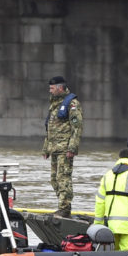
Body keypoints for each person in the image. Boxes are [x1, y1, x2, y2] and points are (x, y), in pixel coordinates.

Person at [42, 75, 82, 217]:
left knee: (63, 178)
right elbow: (50, 127)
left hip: (65, 148)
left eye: (52, 88)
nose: (50, 91)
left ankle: (64, 208)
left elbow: (77, 128)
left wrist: (72, 148)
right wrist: (46, 148)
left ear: (60, 88)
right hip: (54, 149)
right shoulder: (54, 104)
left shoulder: (72, 104)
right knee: (54, 179)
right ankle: (62, 204)